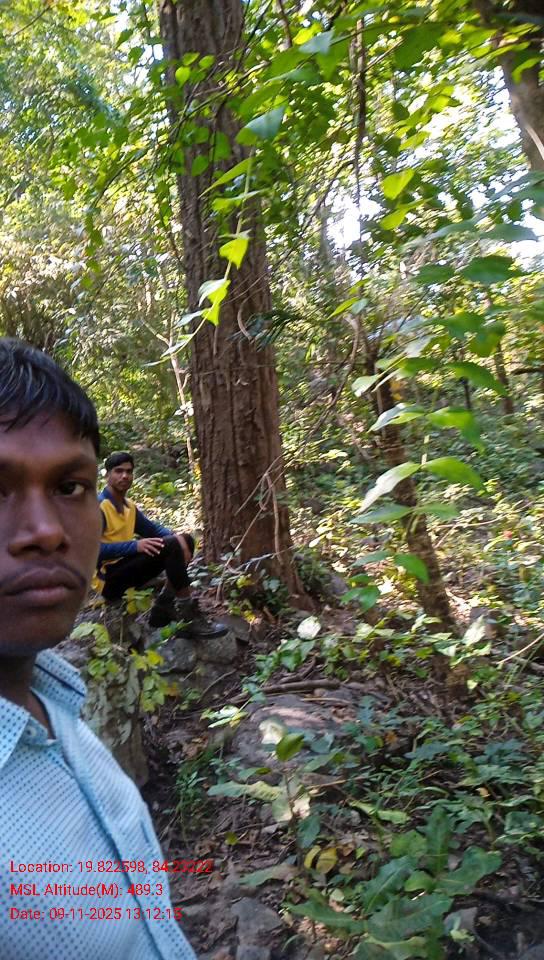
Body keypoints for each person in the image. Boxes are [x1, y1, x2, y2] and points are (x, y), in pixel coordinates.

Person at [0, 338, 196, 960]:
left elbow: (155, 533)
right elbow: (116, 547)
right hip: (113, 579)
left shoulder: (57, 705)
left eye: (69, 486)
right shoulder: (110, 513)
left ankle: (179, 607)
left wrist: (175, 540)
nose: (46, 532)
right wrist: (130, 549)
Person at [95, 451, 226, 637]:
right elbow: (91, 551)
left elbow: (152, 529)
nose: (124, 476)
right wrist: (135, 546)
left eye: (129, 471)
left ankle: (164, 605)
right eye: (118, 471)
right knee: (172, 545)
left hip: (126, 568)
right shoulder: (98, 507)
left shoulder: (128, 506)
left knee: (185, 540)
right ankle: (187, 615)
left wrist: (178, 538)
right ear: (107, 475)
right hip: (108, 580)